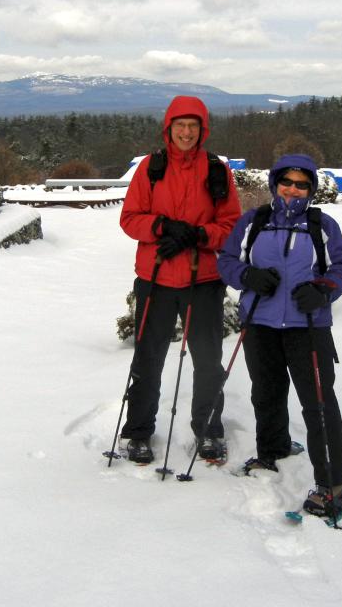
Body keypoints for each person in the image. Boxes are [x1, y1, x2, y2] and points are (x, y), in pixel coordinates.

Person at [217, 154, 342, 516]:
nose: (293, 189)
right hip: (260, 323)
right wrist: (247, 277)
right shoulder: (255, 221)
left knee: (319, 404)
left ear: (310, 189)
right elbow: (227, 260)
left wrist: (323, 289)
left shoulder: (320, 225)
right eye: (287, 182)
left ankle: (332, 485)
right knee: (266, 393)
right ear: (275, 183)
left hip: (307, 327)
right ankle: (272, 450)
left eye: (302, 184)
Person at [118, 95, 241, 464]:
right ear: (168, 128)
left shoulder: (217, 170)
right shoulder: (150, 168)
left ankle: (208, 431)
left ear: (202, 130)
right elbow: (128, 218)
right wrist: (161, 226)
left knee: (207, 361)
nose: (186, 133)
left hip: (202, 280)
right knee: (147, 359)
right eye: (180, 126)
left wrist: (199, 236)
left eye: (193, 126)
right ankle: (138, 432)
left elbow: (231, 224)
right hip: (155, 277)